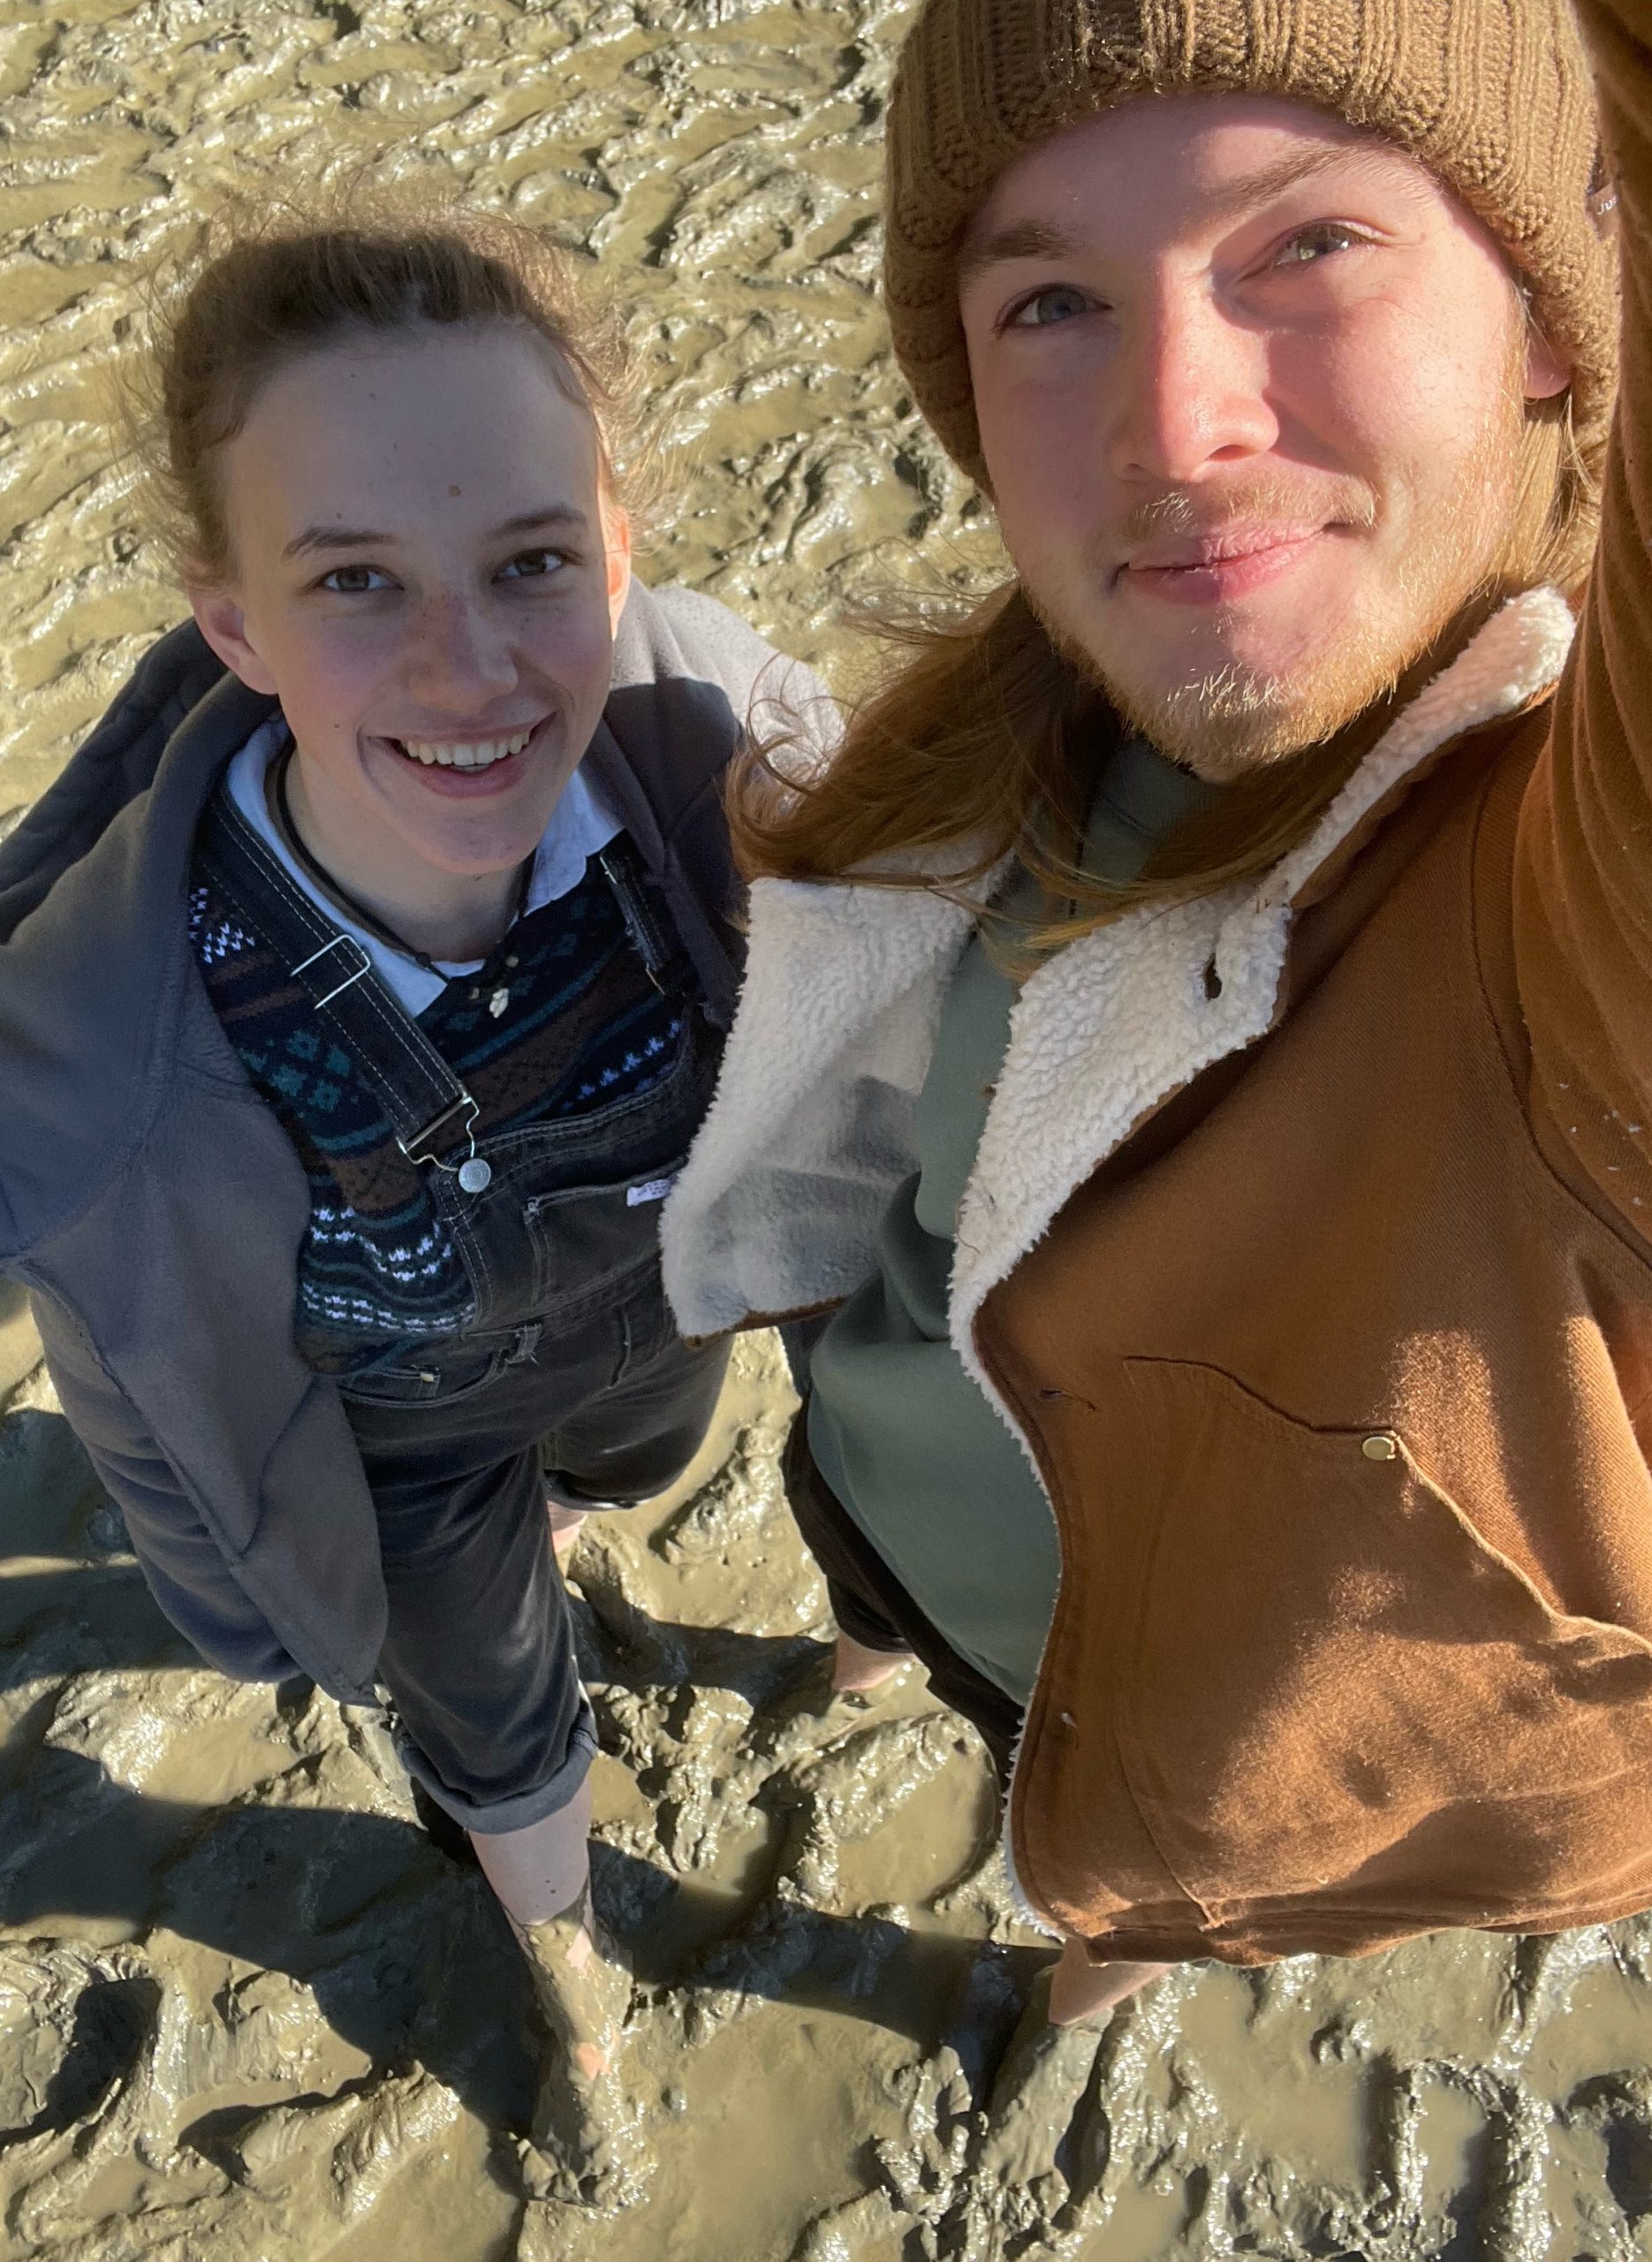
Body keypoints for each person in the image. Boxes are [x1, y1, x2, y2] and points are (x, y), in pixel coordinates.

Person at [661, 0, 1652, 2044]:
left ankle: (1117, 1939)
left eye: (1308, 244)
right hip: (883, 1463)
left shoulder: (1607, 923)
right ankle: (871, 1635)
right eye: (1050, 301)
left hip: (1178, 1734)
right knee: (877, 1594)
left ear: (1555, 301)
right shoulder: (1041, 705)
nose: (1176, 426)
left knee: (1128, 1867)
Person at [0, 188, 822, 2196]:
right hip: (408, 1437)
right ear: (234, 624)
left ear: (615, 551)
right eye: (355, 580)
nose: (468, 672)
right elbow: (118, 1342)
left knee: (628, 1470)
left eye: (530, 561)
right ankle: (575, 1984)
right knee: (503, 1743)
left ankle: (584, 1511)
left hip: (660, 1313)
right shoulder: (112, 1029)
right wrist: (235, 1591)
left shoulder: (727, 761)